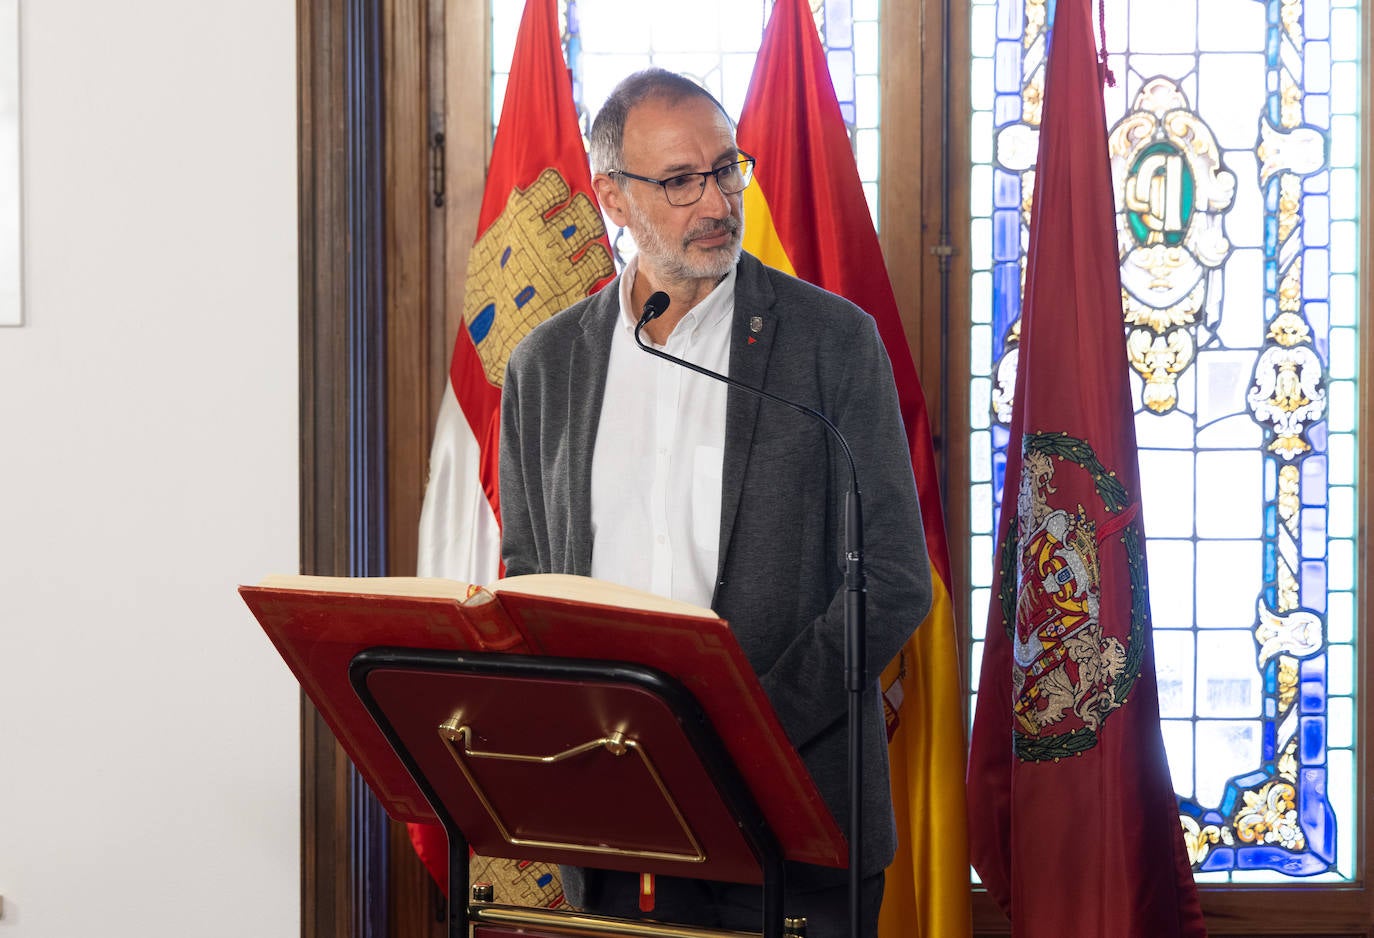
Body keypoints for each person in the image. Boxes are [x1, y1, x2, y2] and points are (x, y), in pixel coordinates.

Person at [498, 67, 931, 938]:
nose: (717, 203)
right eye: (681, 181)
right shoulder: (545, 367)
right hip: (616, 819)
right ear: (613, 198)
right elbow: (531, 579)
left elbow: (891, 581)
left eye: (727, 169)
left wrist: (749, 736)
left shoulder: (831, 343)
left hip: (801, 815)